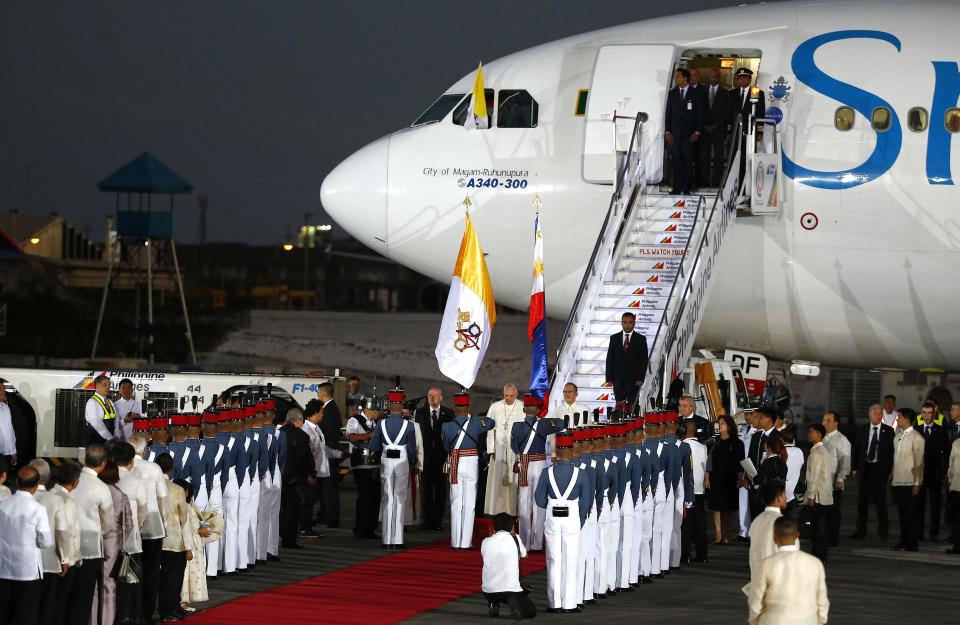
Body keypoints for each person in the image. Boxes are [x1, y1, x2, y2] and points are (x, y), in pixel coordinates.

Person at [535, 431, 591, 614]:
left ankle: (554, 603)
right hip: (572, 518)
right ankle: (569, 604)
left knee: (553, 560)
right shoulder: (581, 474)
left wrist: (552, 505)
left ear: (557, 451)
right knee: (571, 559)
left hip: (553, 517)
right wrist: (580, 519)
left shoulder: (546, 472)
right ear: (572, 450)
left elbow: (539, 499)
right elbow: (586, 501)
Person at [747, 516, 829, 625]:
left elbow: (756, 600)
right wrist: (820, 620)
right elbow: (822, 600)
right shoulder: (815, 563)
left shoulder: (766, 565)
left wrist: (755, 620)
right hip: (807, 620)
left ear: (774, 537)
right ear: (797, 536)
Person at [0, 466, 53, 625]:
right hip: (27, 570)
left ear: (16, 482)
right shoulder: (38, 509)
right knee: (26, 614)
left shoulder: (2, 505)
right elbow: (45, 541)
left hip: (4, 567)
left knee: (3, 613)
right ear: (37, 484)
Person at [512, 394, 565, 551]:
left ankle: (524, 542)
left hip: (524, 464)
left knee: (523, 503)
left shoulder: (516, 426)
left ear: (523, 410)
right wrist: (542, 419)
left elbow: (514, 447)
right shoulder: (544, 425)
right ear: (537, 410)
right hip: (540, 464)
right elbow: (561, 424)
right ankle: (536, 543)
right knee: (539, 502)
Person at [31, 459, 81, 625]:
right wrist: (66, 559)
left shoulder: (15, 497)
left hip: (22, 563)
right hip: (51, 562)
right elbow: (64, 533)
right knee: (51, 606)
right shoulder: (57, 500)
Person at [442, 391, 495, 549]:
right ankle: (465, 542)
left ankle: (455, 541)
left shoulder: (446, 426)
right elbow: (491, 423)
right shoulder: (476, 423)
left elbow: (446, 447)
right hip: (470, 462)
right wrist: (473, 418)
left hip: (455, 462)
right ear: (468, 406)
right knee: (469, 502)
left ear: (455, 407)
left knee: (455, 502)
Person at [68, 444, 114, 625]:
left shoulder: (72, 479)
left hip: (67, 545)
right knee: (84, 595)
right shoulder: (101, 487)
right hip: (90, 547)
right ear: (102, 464)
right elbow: (108, 521)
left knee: (67, 593)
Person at [368, 388, 417, 549]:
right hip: (402, 461)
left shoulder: (381, 424)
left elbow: (373, 446)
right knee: (400, 499)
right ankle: (397, 540)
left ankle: (387, 540)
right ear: (401, 404)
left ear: (388, 405)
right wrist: (411, 461)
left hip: (386, 461)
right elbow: (411, 449)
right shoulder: (409, 425)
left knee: (387, 499)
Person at [129, 434, 169, 625]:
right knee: (152, 571)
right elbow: (163, 498)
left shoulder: (123, 469)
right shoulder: (154, 468)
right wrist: (165, 522)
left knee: (131, 570)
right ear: (145, 451)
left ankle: (131, 609)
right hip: (152, 526)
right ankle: (146, 611)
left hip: (130, 527)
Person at [113, 442, 149, 625]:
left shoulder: (106, 479)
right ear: (131, 461)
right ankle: (132, 616)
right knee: (133, 579)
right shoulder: (136, 481)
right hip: (131, 537)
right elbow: (143, 510)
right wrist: (136, 526)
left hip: (108, 539)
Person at [93, 460, 131, 625]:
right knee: (109, 587)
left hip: (93, 541)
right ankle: (107, 621)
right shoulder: (120, 495)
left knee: (94, 586)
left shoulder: (95, 491)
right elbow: (128, 524)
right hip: (113, 544)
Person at [851, 404, 895, 539]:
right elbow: (857, 450)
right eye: (875, 413)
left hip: (879, 470)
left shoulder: (888, 431)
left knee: (880, 502)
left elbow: (891, 453)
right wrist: (854, 469)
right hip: (865, 469)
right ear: (869, 415)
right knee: (862, 502)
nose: (878, 415)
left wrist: (890, 471)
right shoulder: (863, 429)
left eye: (880, 413)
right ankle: (861, 531)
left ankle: (883, 532)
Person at [481, 513, 537, 620]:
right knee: (531, 612)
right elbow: (524, 555)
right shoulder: (515, 539)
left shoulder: (486, 541)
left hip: (488, 590)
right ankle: (511, 600)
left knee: (494, 584)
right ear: (511, 527)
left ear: (494, 526)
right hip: (510, 589)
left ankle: (493, 603)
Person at [157, 455, 192, 623]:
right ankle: (169, 609)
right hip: (173, 540)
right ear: (171, 469)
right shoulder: (177, 489)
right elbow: (184, 519)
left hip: (152, 538)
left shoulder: (150, 486)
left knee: (154, 575)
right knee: (173, 577)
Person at [414, 387, 454, 531]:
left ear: (441, 398)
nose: (432, 398)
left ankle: (437, 521)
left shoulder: (448, 413)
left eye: (435, 396)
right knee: (425, 491)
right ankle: (426, 520)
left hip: (441, 458)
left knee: (440, 491)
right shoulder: (420, 413)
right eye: (430, 395)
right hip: (425, 457)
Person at [484, 383, 526, 517]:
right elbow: (489, 429)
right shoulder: (495, 407)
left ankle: (513, 511)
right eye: (506, 396)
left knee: (514, 480)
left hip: (516, 450)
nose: (508, 398)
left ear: (516, 394)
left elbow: (526, 429)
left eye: (511, 396)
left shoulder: (522, 407)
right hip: (499, 449)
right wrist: (491, 450)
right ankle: (497, 511)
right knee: (499, 482)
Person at [279, 409, 315, 550]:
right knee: (292, 511)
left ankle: (279, 534)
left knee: (279, 509)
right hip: (295, 478)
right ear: (298, 420)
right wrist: (310, 474)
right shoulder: (302, 436)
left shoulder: (278, 433)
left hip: (277, 477)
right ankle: (289, 540)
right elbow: (306, 458)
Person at [664, 68, 703, 194]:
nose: (676, 79)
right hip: (674, 134)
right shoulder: (672, 93)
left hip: (689, 135)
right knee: (676, 161)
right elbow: (668, 114)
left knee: (687, 161)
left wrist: (697, 132)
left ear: (685, 78)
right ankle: (677, 187)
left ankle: (686, 188)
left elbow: (700, 114)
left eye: (678, 77)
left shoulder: (696, 93)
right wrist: (667, 131)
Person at [707, 415, 744, 545]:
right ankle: (718, 535)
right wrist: (707, 477)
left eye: (722, 423)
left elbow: (741, 463)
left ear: (729, 425)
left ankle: (726, 534)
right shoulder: (715, 443)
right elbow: (709, 462)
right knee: (717, 507)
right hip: (716, 478)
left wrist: (740, 478)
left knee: (729, 508)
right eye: (718, 423)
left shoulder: (737, 443)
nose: (719, 425)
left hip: (731, 479)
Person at [345, 401, 379, 540]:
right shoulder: (354, 420)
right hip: (361, 465)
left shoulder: (377, 422)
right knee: (364, 498)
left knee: (375, 499)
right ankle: (360, 529)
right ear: (367, 409)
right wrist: (370, 435)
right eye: (376, 410)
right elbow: (352, 437)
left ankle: (371, 529)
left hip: (376, 465)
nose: (378, 413)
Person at [916, 401, 950, 540]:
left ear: (934, 414)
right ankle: (918, 532)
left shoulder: (941, 430)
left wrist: (945, 472)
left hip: (935, 472)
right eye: (924, 412)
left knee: (935, 505)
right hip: (919, 473)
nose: (927, 415)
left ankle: (933, 532)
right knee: (919, 504)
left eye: (929, 413)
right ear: (921, 413)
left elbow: (946, 452)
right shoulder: (916, 429)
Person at [891, 408, 924, 551]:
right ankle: (903, 541)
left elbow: (919, 462)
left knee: (911, 515)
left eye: (899, 416)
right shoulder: (897, 436)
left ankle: (912, 543)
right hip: (898, 480)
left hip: (910, 482)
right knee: (902, 514)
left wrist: (917, 482)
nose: (897, 419)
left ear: (906, 418)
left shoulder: (917, 438)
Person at [730, 67, 765, 190]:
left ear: (750, 80)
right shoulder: (732, 93)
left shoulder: (757, 93)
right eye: (740, 78)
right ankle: (735, 186)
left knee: (747, 160)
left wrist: (760, 132)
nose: (742, 80)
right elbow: (730, 115)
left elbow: (761, 114)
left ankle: (747, 188)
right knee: (735, 160)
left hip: (750, 133)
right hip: (735, 133)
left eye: (745, 78)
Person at [604, 312, 649, 408]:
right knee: (619, 406)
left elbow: (643, 360)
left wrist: (640, 378)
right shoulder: (614, 338)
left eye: (630, 322)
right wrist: (609, 378)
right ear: (621, 323)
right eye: (625, 322)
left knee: (633, 407)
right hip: (618, 379)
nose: (627, 325)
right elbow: (610, 359)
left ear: (634, 323)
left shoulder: (641, 339)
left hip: (634, 380)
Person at [316, 383, 344, 529]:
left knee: (329, 489)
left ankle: (331, 518)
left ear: (323, 393)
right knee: (325, 489)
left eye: (318, 392)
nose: (317, 395)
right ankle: (324, 515)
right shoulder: (330, 408)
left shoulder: (330, 410)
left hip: (329, 455)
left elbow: (326, 434)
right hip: (328, 454)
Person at [821, 410, 851, 547]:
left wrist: (841, 478)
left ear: (836, 423)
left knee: (833, 512)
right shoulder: (824, 438)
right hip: (822, 482)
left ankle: (833, 539)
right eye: (824, 420)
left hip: (834, 482)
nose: (824, 423)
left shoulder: (842, 440)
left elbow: (845, 460)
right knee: (823, 511)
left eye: (828, 420)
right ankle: (823, 535)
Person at [803, 424, 832, 562]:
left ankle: (819, 555)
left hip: (818, 496)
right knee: (821, 527)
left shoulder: (817, 452)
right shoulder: (822, 451)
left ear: (819, 435)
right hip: (824, 495)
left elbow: (814, 476)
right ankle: (821, 555)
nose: (809, 434)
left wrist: (811, 495)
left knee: (818, 529)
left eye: (811, 432)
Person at [698, 67, 732, 187]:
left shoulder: (726, 93)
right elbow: (699, 110)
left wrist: (717, 125)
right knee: (704, 156)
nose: (713, 78)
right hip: (704, 129)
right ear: (709, 77)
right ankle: (705, 181)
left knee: (719, 157)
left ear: (719, 78)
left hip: (719, 129)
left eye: (716, 76)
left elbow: (727, 112)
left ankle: (717, 181)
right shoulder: (702, 91)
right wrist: (704, 125)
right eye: (711, 76)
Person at [681, 421, 708, 563]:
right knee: (700, 523)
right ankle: (702, 554)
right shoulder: (703, 447)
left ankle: (685, 554)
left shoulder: (682, 446)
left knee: (685, 524)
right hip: (699, 489)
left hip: (686, 490)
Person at [747, 480, 786, 581]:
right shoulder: (781, 523)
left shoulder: (756, 521)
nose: (786, 497)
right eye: (784, 494)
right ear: (777, 498)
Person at [300, 400, 328, 537]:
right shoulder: (306, 429)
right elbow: (306, 455)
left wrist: (340, 453)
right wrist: (308, 474)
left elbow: (322, 449)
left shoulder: (316, 428)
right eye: (322, 412)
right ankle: (304, 528)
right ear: (315, 413)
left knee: (311, 501)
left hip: (320, 471)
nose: (323, 415)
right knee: (307, 501)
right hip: (312, 472)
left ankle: (307, 527)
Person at [747, 408, 780, 519]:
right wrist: (747, 477)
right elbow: (750, 457)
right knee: (755, 518)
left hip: (770, 487)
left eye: (760, 417)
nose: (758, 419)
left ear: (769, 419)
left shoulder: (779, 437)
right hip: (754, 485)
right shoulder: (756, 436)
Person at [85, 375, 118, 445]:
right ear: (97, 386)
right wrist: (110, 438)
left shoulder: (110, 402)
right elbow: (96, 422)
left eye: (109, 385)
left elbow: (116, 419)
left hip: (109, 441)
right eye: (105, 385)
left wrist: (117, 434)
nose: (108, 387)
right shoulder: (92, 402)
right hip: (95, 441)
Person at [780, 426, 804, 512]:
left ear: (781, 439)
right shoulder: (799, 451)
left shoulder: (780, 452)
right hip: (792, 492)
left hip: (780, 492)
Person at [946, 432, 960, 554]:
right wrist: (949, 480)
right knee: (956, 517)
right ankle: (957, 544)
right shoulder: (956, 443)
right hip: (956, 486)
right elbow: (951, 464)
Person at [0, 386, 16, 469]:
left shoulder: (6, 407)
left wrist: (13, 451)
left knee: (5, 478)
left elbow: (10, 431)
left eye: (3, 388)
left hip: (7, 454)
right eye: (1, 389)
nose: (4, 391)